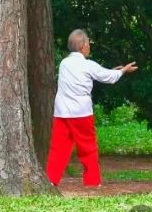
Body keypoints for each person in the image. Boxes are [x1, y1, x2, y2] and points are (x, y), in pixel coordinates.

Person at [45, 29, 137, 188]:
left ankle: (51, 180)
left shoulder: (64, 64)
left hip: (62, 112)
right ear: (82, 46)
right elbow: (108, 78)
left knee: (58, 147)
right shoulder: (88, 65)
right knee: (88, 147)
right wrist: (123, 71)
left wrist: (111, 71)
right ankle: (92, 181)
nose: (89, 46)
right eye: (88, 43)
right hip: (81, 112)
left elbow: (96, 74)